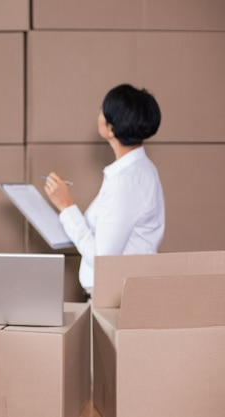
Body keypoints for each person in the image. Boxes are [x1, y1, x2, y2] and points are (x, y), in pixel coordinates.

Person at [43, 83, 165, 294]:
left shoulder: (125, 182)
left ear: (111, 128)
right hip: (123, 294)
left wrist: (66, 206)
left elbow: (103, 260)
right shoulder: (137, 170)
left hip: (120, 300)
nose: (98, 113)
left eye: (102, 109)